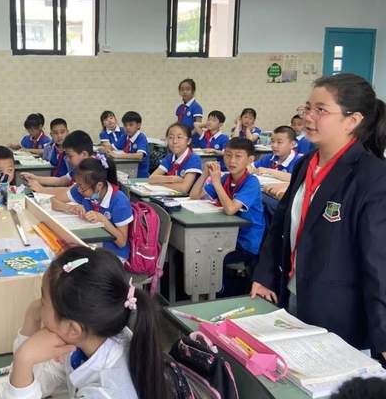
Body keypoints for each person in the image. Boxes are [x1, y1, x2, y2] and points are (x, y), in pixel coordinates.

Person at [251, 74, 386, 360]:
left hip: (339, 314)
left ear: (352, 120)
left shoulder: (372, 176)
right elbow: (280, 226)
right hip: (292, 295)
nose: (308, 117)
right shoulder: (306, 164)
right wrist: (264, 276)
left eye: (321, 110)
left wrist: (383, 335)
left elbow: (378, 262)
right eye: (308, 107)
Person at [6, 247, 168, 399]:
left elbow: (26, 377)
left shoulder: (103, 392)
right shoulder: (94, 333)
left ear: (72, 328)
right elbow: (38, 381)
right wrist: (32, 317)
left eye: (43, 301)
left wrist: (23, 359)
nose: (38, 305)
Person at [191, 138, 265, 293]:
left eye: (238, 156)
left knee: (208, 255)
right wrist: (204, 175)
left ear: (250, 160)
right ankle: (202, 290)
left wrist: (216, 183)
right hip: (226, 236)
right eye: (228, 155)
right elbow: (194, 196)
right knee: (195, 248)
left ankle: (217, 292)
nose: (232, 161)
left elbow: (230, 209)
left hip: (246, 242)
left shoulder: (251, 182)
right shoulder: (226, 178)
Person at [51, 157, 133, 259]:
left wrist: (103, 220)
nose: (79, 190)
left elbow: (122, 242)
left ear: (99, 186)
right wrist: (70, 208)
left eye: (81, 187)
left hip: (113, 255)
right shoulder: (83, 188)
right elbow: (54, 201)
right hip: (90, 246)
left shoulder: (119, 201)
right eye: (78, 185)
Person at [22, 130, 94, 193]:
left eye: (70, 156)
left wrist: (42, 189)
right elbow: (60, 181)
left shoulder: (91, 171)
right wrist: (35, 178)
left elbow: (70, 192)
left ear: (84, 154)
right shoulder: (80, 168)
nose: (67, 159)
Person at [148, 123, 202, 194]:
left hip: (187, 198)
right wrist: (172, 179)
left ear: (188, 141)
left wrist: (159, 183)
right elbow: (151, 178)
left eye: (179, 137)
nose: (174, 141)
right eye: (171, 137)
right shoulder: (169, 157)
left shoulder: (194, 159)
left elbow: (183, 189)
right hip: (170, 196)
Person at [112, 111, 150, 178]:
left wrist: (118, 156)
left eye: (131, 125)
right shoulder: (125, 136)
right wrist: (105, 149)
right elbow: (112, 148)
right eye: (125, 125)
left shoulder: (141, 137)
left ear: (138, 125)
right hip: (127, 170)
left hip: (139, 175)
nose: (127, 127)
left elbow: (139, 155)